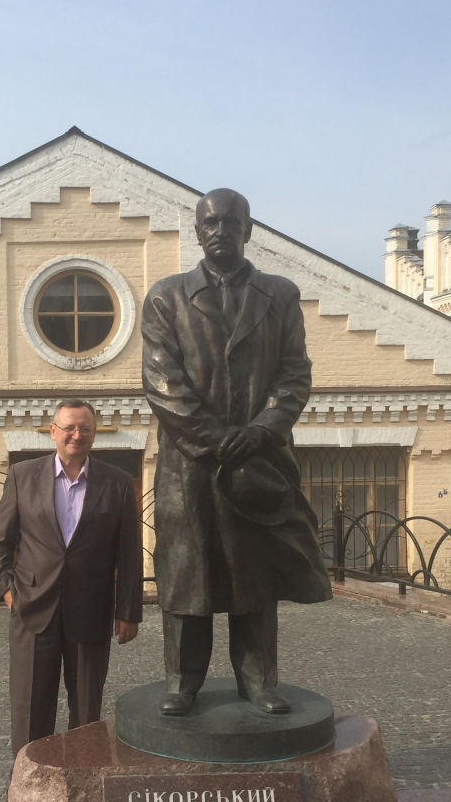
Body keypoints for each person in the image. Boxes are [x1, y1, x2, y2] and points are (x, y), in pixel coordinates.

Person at [141, 187, 332, 718]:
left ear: (248, 230)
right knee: (189, 574)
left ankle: (258, 680)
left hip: (260, 459)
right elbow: (162, 382)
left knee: (254, 576)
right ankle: (182, 682)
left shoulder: (280, 295)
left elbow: (294, 373)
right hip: (189, 465)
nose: (220, 231)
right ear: (197, 231)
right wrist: (218, 440)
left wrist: (263, 429)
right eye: (211, 223)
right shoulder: (166, 297)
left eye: (231, 222)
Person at [0, 398, 143, 756]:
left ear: (94, 434)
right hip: (32, 610)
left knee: (86, 710)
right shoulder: (22, 476)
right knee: (30, 707)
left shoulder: (117, 483)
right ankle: (27, 777)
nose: (76, 435)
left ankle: (82, 776)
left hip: (91, 611)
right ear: (53, 431)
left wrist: (128, 611)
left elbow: (129, 554)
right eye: (69, 427)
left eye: (85, 428)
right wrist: (9, 594)